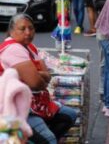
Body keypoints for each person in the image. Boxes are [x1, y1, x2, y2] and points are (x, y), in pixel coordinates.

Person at [0, 14, 77, 143]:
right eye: (22, 29)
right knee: (49, 139)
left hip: (37, 102)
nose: (28, 32)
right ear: (12, 31)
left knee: (69, 115)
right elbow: (36, 83)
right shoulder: (13, 49)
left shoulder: (30, 46)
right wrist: (39, 75)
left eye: (31, 28)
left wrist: (37, 74)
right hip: (17, 108)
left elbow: (46, 75)